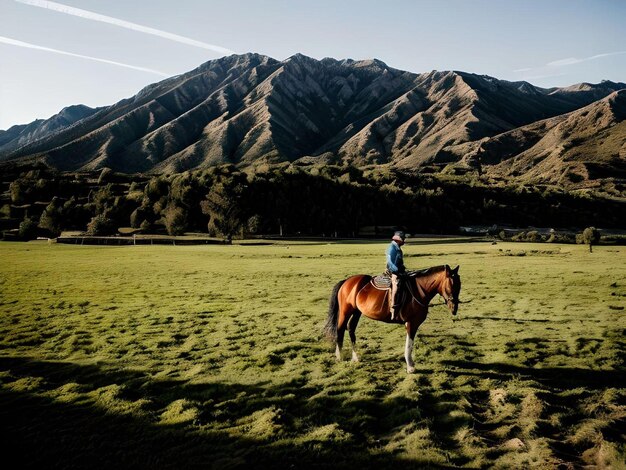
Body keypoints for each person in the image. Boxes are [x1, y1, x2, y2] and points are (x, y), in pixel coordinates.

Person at [386, 231, 406, 320]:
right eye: (403, 239)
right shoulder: (392, 248)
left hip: (399, 271)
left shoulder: (397, 248)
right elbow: (390, 263)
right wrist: (398, 271)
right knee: (396, 285)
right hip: (393, 272)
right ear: (398, 240)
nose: (404, 241)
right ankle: (393, 308)